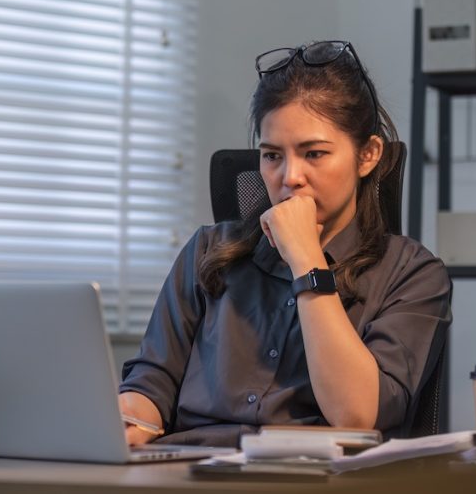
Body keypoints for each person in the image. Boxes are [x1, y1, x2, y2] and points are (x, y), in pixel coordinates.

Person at [118, 40, 452, 448]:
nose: (289, 177)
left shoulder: (412, 273)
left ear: (367, 156)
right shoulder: (208, 251)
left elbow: (357, 414)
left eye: (314, 153)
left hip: (316, 478)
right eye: (273, 156)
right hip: (191, 470)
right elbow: (152, 383)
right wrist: (129, 418)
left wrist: (307, 261)